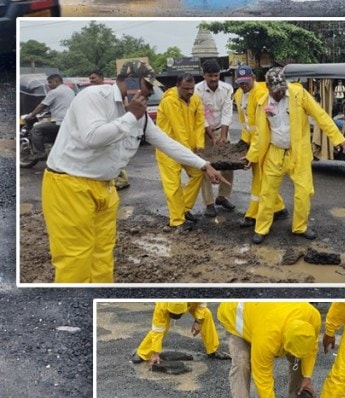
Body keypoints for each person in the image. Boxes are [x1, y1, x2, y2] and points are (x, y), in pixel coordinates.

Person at [41, 60, 229, 283]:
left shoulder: (141, 117)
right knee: (75, 259)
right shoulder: (93, 98)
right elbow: (92, 137)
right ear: (130, 81)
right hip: (69, 185)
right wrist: (130, 116)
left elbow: (167, 143)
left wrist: (204, 165)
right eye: (147, 87)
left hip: (105, 187)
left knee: (103, 254)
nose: (150, 92)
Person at [244, 67, 345, 244]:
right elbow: (259, 135)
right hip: (274, 153)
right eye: (276, 90)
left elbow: (320, 115)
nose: (280, 93)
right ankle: (261, 228)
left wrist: (337, 137)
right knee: (267, 193)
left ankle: (300, 227)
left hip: (298, 152)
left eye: (282, 89)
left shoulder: (299, 94)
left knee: (304, 192)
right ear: (267, 87)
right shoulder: (262, 103)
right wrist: (251, 157)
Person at [216, 302, 322, 398]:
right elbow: (263, 379)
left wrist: (307, 378)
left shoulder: (313, 317)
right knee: (242, 364)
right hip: (236, 319)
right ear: (283, 339)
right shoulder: (268, 337)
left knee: (299, 358)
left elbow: (311, 349)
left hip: (263, 316)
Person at [233, 65, 286, 228]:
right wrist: (244, 141)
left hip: (266, 143)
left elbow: (262, 129)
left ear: (254, 78)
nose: (243, 85)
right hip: (253, 142)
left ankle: (253, 214)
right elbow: (245, 122)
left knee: (259, 180)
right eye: (240, 82)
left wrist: (253, 154)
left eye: (246, 82)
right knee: (263, 180)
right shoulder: (239, 94)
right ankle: (279, 207)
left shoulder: (262, 94)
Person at [156, 72, 205, 231]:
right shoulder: (169, 101)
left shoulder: (195, 99)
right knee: (173, 185)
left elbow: (199, 124)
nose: (190, 92)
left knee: (198, 174)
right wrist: (190, 154)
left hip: (188, 149)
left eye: (192, 88)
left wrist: (200, 146)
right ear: (177, 86)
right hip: (168, 149)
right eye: (186, 89)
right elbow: (179, 129)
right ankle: (177, 221)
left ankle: (183, 208)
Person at [195, 59, 236, 217]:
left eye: (216, 75)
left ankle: (222, 196)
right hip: (203, 131)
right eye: (210, 76)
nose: (213, 79)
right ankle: (209, 203)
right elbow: (200, 116)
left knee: (228, 165)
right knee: (205, 167)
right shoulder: (197, 90)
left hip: (222, 129)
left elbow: (227, 112)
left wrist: (223, 136)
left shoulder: (227, 88)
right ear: (204, 75)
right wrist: (211, 136)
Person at [130, 302, 230, 364]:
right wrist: (156, 352)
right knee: (161, 327)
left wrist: (198, 321)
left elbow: (202, 304)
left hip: (190, 302)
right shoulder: (161, 306)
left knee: (206, 314)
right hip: (166, 307)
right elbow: (157, 330)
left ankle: (213, 350)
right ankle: (143, 353)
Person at [86, 69, 133, 192]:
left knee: (116, 154)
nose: (91, 80)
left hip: (114, 127)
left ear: (101, 78)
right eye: (90, 78)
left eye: (94, 78)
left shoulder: (109, 92)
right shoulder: (91, 93)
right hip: (104, 128)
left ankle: (121, 180)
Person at [21, 74, 75, 157]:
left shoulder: (54, 92)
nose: (48, 85)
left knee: (36, 129)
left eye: (50, 82)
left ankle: (40, 152)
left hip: (59, 122)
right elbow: (60, 105)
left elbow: (42, 106)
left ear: (57, 81)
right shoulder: (70, 91)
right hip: (69, 122)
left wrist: (31, 115)